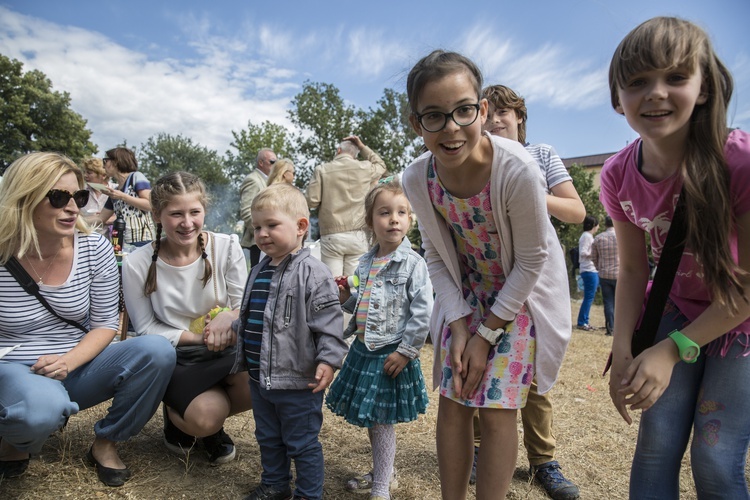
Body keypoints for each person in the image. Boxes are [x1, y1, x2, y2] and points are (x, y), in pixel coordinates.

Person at [401, 50, 571, 499]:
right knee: (454, 400)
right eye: (434, 117)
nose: (452, 128)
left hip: (518, 297)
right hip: (466, 294)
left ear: (483, 110)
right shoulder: (417, 178)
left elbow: (533, 259)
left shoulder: (516, 169)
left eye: (463, 111)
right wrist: (458, 326)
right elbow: (436, 256)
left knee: (497, 409)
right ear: (417, 124)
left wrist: (487, 334)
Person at [602, 17, 750, 498]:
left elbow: (745, 291)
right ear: (616, 98)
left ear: (704, 88)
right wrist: (624, 346)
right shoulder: (617, 175)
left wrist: (669, 350)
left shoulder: (740, 163)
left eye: (675, 77)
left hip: (741, 323)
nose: (656, 93)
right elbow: (632, 268)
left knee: (715, 460)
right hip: (675, 307)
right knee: (655, 446)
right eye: (638, 82)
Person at [0, 152, 175, 487]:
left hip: (75, 362)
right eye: (57, 197)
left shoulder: (94, 247)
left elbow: (106, 323)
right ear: (24, 199)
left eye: (78, 197)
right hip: (12, 366)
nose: (72, 207)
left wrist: (68, 361)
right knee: (38, 411)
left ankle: (106, 442)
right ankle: (17, 436)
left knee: (156, 351)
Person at [478, 83, 584, 499]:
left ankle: (543, 461)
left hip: (538, 272)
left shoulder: (541, 154)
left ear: (520, 117)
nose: (496, 120)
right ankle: (476, 451)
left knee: (534, 369)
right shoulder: (478, 161)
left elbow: (576, 211)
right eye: (489, 113)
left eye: (505, 112)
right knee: (481, 360)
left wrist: (531, 193)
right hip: (489, 271)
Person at [122, 171, 251, 465]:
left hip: (226, 350)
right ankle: (186, 415)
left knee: (261, 382)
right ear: (157, 215)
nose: (187, 223)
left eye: (195, 212)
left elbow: (243, 303)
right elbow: (145, 328)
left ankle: (198, 415)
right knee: (205, 417)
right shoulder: (136, 263)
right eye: (175, 214)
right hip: (178, 357)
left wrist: (228, 318)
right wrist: (200, 338)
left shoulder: (227, 247)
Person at [233, 183, 348, 500]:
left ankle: (309, 494)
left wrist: (328, 359)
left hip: (298, 381)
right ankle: (275, 483)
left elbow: (329, 323)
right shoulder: (257, 270)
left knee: (301, 442)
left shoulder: (313, 273)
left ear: (300, 227)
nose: (262, 233)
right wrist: (232, 328)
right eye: (257, 227)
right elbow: (256, 316)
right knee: (268, 436)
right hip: (260, 378)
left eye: (271, 225)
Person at [326, 177, 433, 500]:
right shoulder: (366, 261)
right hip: (364, 350)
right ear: (371, 222)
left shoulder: (413, 264)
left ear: (410, 220)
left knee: (382, 421)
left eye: (402, 212)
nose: (394, 219)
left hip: (391, 353)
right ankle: (382, 471)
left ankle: (382, 485)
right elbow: (361, 306)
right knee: (374, 421)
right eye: (385, 212)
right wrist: (346, 296)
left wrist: (406, 351)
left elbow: (422, 312)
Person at [306, 135, 386, 277]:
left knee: (331, 283)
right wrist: (362, 146)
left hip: (332, 233)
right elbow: (381, 165)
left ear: (338, 150)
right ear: (355, 154)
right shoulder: (365, 168)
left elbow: (312, 201)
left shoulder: (322, 170)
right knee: (355, 285)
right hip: (358, 233)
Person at [98, 147, 155, 247]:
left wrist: (122, 196)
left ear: (115, 162)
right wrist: (77, 219)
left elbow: (150, 205)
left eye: (105, 161)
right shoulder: (115, 190)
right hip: (122, 244)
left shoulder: (136, 177)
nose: (103, 166)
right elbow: (100, 219)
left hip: (141, 241)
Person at [239, 148, 277, 267]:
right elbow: (246, 211)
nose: (275, 165)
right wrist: (260, 232)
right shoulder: (253, 180)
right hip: (258, 243)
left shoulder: (267, 181)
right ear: (261, 163)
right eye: (272, 162)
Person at [591, 216, 618, 336]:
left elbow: (594, 257)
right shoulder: (621, 237)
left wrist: (599, 268)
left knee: (608, 302)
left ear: (605, 225)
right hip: (620, 274)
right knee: (620, 303)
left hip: (604, 274)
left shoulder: (598, 238)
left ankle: (610, 328)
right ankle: (620, 328)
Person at [79, 157, 115, 236]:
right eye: (84, 172)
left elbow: (126, 217)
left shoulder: (116, 191)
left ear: (103, 175)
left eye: (89, 173)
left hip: (111, 241)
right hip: (85, 238)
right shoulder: (80, 191)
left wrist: (109, 219)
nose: (85, 175)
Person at [576, 215, 599, 331]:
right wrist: (595, 253)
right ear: (594, 225)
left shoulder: (587, 236)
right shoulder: (587, 236)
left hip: (589, 269)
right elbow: (583, 252)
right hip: (589, 269)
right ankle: (582, 322)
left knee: (589, 297)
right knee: (589, 297)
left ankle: (585, 321)